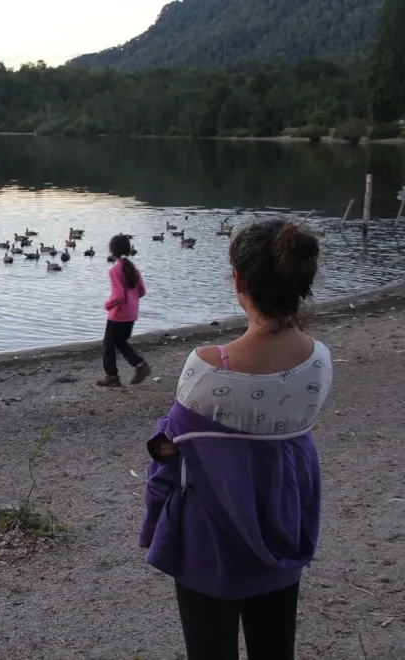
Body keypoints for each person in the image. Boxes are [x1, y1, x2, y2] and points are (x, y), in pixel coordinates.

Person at [139, 220, 333, 660]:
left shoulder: (209, 365)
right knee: (275, 648)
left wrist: (155, 518)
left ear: (239, 280)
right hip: (283, 521)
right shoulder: (319, 361)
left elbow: (170, 449)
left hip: (212, 540)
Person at [97, 234, 150, 387]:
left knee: (108, 345)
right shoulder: (133, 267)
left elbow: (119, 295)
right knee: (120, 341)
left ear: (112, 250)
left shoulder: (115, 270)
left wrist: (108, 305)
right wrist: (131, 302)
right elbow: (142, 291)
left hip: (118, 315)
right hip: (132, 314)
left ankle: (112, 377)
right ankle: (140, 365)